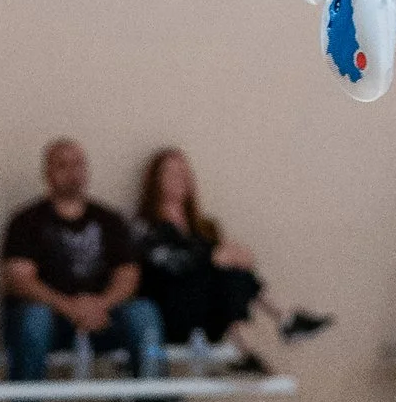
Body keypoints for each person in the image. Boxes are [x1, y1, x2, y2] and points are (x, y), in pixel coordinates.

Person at [131, 149, 326, 374]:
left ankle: (262, 338)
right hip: (169, 315)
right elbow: (167, 265)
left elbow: (216, 263)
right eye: (171, 173)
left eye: (184, 173)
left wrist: (236, 255)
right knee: (224, 269)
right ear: (155, 180)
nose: (180, 179)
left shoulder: (201, 228)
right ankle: (281, 322)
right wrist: (213, 256)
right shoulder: (144, 226)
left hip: (206, 316)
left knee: (231, 272)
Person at [0, 140, 161, 396]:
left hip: (102, 320)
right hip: (51, 323)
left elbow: (128, 276)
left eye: (78, 164)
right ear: (47, 173)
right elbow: (19, 279)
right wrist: (70, 307)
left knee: (144, 314)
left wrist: (100, 304)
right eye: (62, 165)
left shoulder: (109, 220)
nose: (72, 172)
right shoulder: (25, 222)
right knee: (34, 320)